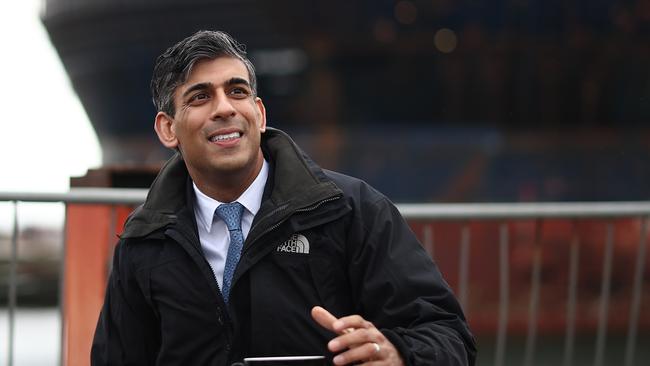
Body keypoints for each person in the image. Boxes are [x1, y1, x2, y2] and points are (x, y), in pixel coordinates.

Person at [91, 30, 476, 366]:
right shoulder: (143, 243)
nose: (224, 108)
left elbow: (447, 334)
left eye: (237, 91)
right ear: (168, 129)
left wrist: (397, 352)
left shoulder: (353, 210)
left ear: (258, 114)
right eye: (200, 97)